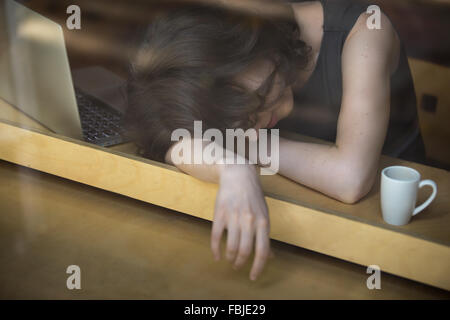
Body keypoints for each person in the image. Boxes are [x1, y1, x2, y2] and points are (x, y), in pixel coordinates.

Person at [124, 0, 426, 281]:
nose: (252, 127)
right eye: (240, 120)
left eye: (256, 99)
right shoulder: (237, 79)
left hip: (399, 236)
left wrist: (237, 144)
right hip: (304, 232)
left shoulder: (367, 32)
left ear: (253, 46)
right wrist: (232, 169)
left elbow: (350, 180)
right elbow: (169, 143)